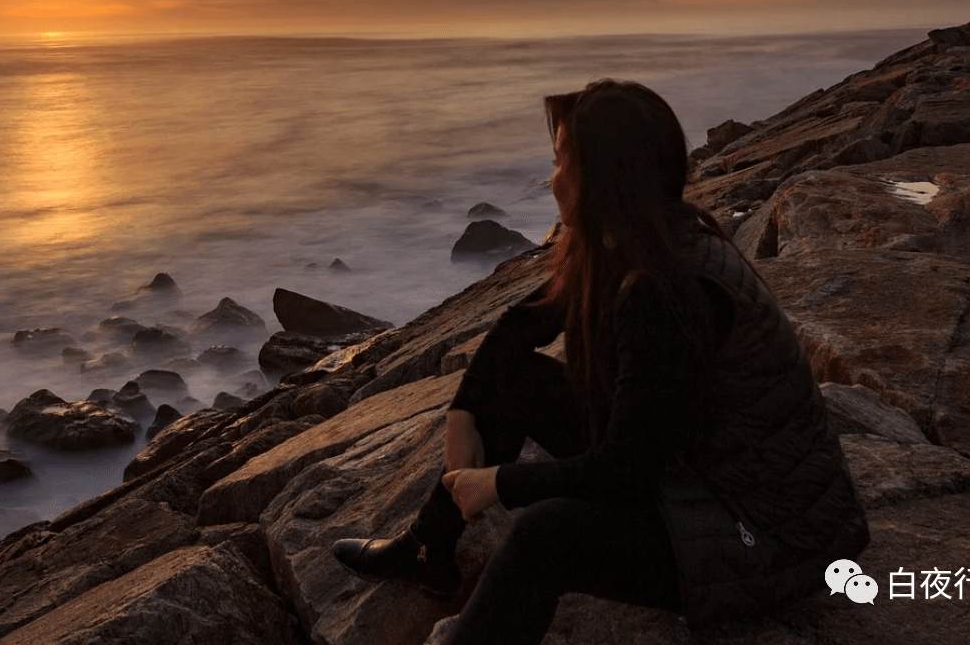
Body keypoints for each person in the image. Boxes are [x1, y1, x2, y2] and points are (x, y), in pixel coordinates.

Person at [332, 79, 869, 643]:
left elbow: (625, 468)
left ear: (604, 178)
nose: (552, 177)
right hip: (699, 479)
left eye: (562, 160)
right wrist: (461, 412)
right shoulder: (645, 237)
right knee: (515, 378)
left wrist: (499, 484)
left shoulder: (663, 290)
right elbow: (523, 326)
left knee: (545, 535)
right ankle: (426, 549)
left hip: (762, 538)